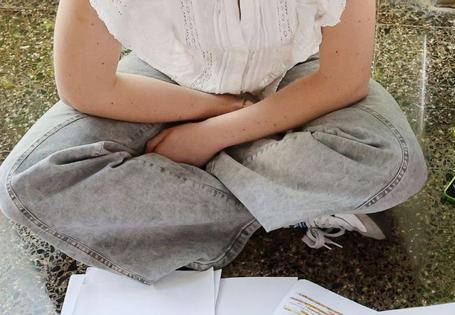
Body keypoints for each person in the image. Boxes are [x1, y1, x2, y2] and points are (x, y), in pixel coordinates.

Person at [0, 0, 427, 284]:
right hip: (174, 80)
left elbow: (340, 80)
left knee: (392, 159)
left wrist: (208, 138)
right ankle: (289, 197)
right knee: (31, 180)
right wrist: (214, 110)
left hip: (299, 77)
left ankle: (190, 197)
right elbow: (87, 88)